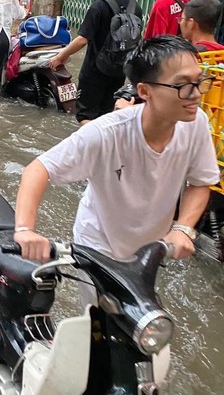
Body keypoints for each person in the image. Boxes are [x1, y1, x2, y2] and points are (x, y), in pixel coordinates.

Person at [14, 36, 219, 264]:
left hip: (151, 252)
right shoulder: (108, 133)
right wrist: (25, 230)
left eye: (199, 81)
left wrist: (182, 228)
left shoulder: (196, 123)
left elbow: (201, 182)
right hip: (97, 248)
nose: (196, 94)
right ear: (145, 91)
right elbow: (38, 169)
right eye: (182, 85)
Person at [49, 0, 142, 124]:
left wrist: (59, 57)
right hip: (119, 71)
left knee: (85, 116)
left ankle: (92, 148)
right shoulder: (136, 8)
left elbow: (83, 39)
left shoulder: (99, 5)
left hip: (95, 71)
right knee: (107, 114)